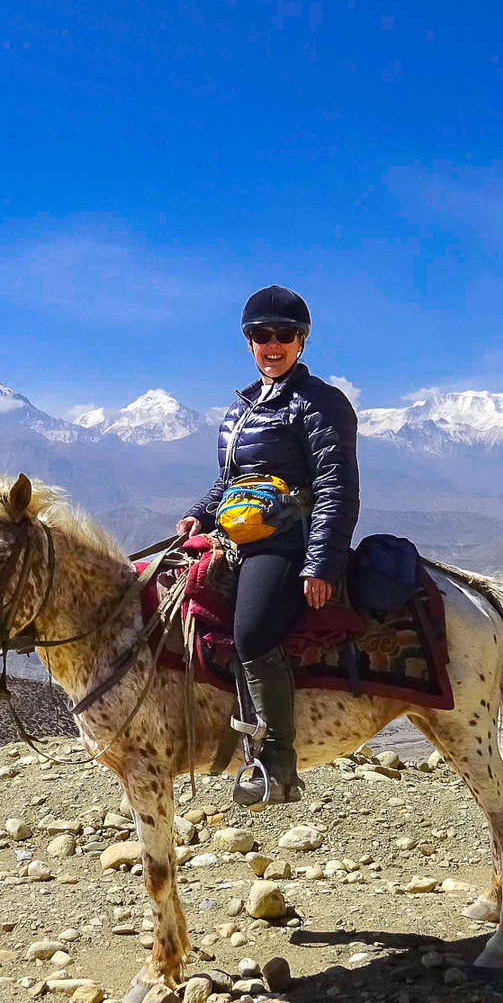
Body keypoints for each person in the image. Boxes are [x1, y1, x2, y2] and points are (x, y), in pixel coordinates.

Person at [176, 285, 360, 805]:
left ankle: (275, 760)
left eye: (283, 335)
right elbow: (232, 482)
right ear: (248, 342)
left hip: (288, 542)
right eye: (261, 335)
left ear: (301, 341)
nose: (271, 344)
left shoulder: (320, 403)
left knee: (252, 635)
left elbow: (336, 486)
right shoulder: (240, 410)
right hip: (236, 533)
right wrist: (198, 514)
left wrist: (321, 562)